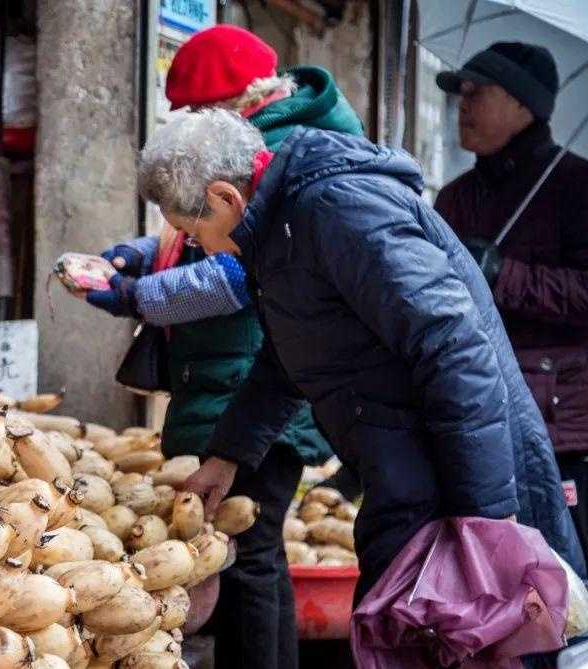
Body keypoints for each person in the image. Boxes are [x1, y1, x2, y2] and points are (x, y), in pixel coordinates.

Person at [134, 108, 586, 608]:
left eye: (192, 231)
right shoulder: (280, 229)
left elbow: (455, 348)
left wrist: (487, 515)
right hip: (406, 475)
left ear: (225, 197)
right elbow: (290, 355)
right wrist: (228, 456)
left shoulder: (340, 210)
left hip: (462, 481)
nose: (198, 246)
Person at [80, 25, 363, 669]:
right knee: (241, 553)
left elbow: (235, 273)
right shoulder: (259, 146)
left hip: (257, 383)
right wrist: (146, 253)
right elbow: (207, 238)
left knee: (251, 552)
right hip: (232, 380)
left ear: (228, 108)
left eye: (194, 116)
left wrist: (135, 295)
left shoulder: (281, 154)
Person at [434, 42, 588, 564]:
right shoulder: (453, 198)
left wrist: (503, 273)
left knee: (568, 575)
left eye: (479, 92)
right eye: (460, 93)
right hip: (475, 415)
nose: (464, 104)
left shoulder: (576, 186)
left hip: (562, 424)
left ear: (524, 106)